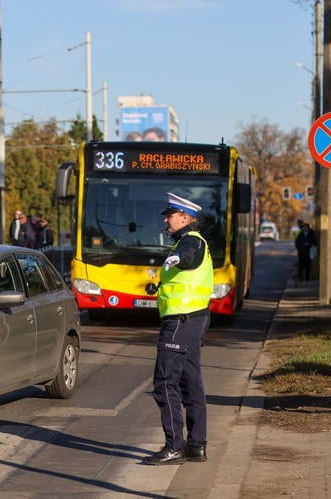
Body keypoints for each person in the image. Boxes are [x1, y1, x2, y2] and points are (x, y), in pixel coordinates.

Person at [142, 192, 213, 466]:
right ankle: (197, 445)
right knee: (191, 382)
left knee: (165, 383)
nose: (166, 220)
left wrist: (177, 259)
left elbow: (188, 256)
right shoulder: (187, 243)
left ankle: (174, 446)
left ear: (184, 218)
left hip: (180, 322)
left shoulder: (191, 242)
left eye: (170, 215)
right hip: (193, 319)